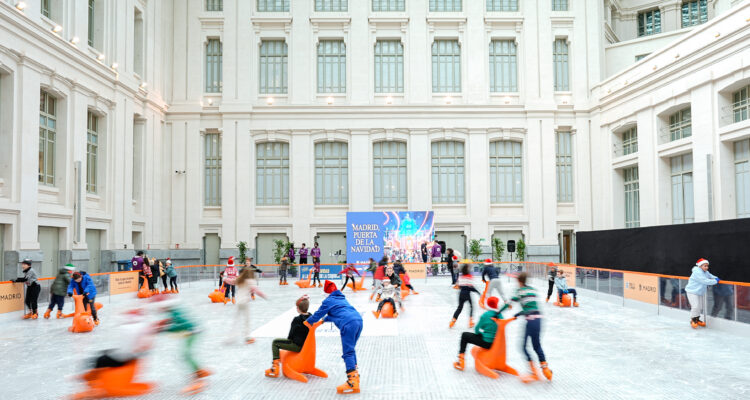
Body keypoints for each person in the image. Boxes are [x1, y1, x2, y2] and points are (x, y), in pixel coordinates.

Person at [306, 281, 364, 394]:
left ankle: (352, 382)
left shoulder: (328, 300)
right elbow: (336, 313)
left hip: (348, 324)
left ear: (327, 293)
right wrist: (323, 321)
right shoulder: (341, 299)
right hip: (358, 321)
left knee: (348, 352)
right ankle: (355, 377)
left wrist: (308, 322)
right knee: (351, 351)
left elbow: (318, 314)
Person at [500, 272, 552, 383]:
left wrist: (498, 312)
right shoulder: (532, 290)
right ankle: (546, 370)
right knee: (536, 346)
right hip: (539, 319)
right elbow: (532, 305)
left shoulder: (519, 291)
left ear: (519, 281)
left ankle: (534, 372)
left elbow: (508, 304)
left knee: (523, 346)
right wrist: (520, 313)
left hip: (531, 320)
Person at [153, 296, 211, 393]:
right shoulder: (173, 310)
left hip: (193, 332)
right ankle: (198, 372)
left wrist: (165, 328)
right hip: (192, 331)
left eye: (160, 308)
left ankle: (197, 378)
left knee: (186, 355)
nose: (159, 310)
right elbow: (177, 322)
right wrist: (166, 324)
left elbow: (183, 324)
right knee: (186, 355)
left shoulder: (175, 312)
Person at [265, 295, 312, 378]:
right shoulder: (311, 317)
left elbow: (291, 335)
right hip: (306, 346)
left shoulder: (297, 319)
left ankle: (275, 367)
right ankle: (277, 363)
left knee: (275, 342)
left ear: (298, 308)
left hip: (297, 345)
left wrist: (288, 343)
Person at [453, 296, 505, 371]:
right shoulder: (500, 316)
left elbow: (477, 329)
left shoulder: (486, 315)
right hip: (496, 343)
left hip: (486, 342)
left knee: (464, 335)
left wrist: (481, 333)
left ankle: (461, 361)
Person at [231, 267, 267, 344]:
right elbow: (257, 291)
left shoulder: (240, 280)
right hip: (244, 302)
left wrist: (224, 279)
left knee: (236, 318)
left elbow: (231, 282)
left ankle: (232, 336)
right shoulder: (251, 281)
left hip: (238, 301)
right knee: (247, 320)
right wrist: (265, 296)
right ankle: (247, 338)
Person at [684, 258, 720, 328]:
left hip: (699, 292)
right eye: (705, 266)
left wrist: (717, 278)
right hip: (692, 291)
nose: (706, 267)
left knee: (700, 307)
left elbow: (710, 276)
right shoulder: (697, 272)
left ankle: (697, 319)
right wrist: (716, 281)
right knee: (695, 306)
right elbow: (705, 281)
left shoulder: (705, 272)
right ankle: (693, 320)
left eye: (707, 266)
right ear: (700, 266)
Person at [450, 262, 480, 328]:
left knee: (459, 308)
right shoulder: (470, 277)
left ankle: (452, 322)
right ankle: (470, 322)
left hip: (461, 295)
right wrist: (478, 293)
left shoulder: (460, 277)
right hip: (467, 294)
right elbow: (471, 287)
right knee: (472, 306)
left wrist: (458, 286)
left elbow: (458, 286)